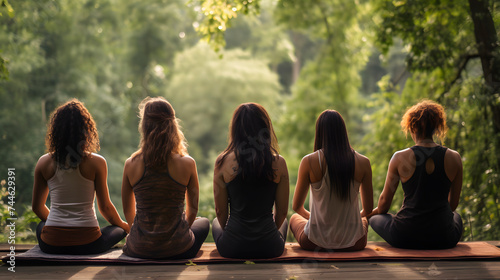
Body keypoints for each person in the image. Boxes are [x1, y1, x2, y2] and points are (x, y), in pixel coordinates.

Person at [32, 99, 129, 255]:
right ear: (86, 130)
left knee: (41, 225)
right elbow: (105, 208)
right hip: (88, 244)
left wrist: (58, 225)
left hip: (52, 245)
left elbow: (37, 207)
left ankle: (53, 230)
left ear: (56, 131)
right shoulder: (97, 162)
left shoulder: (44, 162)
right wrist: (125, 226)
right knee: (118, 229)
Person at [122, 97, 209, 259]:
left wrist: (140, 236)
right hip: (178, 249)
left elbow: (128, 210)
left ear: (144, 126)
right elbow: (193, 209)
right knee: (203, 222)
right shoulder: (187, 163)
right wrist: (181, 231)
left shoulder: (131, 164)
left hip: (140, 249)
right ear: (173, 125)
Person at [369, 100, 463, 249]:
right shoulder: (454, 157)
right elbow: (452, 205)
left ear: (412, 127)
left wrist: (366, 215)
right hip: (444, 237)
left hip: (405, 235)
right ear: (436, 128)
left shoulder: (399, 158)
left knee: (376, 219)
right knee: (456, 217)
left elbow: (383, 204)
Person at [212, 103, 289, 259]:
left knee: (214, 222)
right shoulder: (279, 163)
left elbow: (220, 212)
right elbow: (281, 212)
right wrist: (265, 236)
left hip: (232, 248)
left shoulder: (223, 162)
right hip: (270, 248)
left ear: (235, 130)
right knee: (286, 222)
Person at [289, 110, 373, 252]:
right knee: (363, 220)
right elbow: (368, 209)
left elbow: (297, 207)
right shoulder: (363, 162)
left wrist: (319, 219)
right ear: (343, 131)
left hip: (314, 243)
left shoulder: (309, 161)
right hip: (354, 243)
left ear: (320, 132)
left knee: (294, 218)